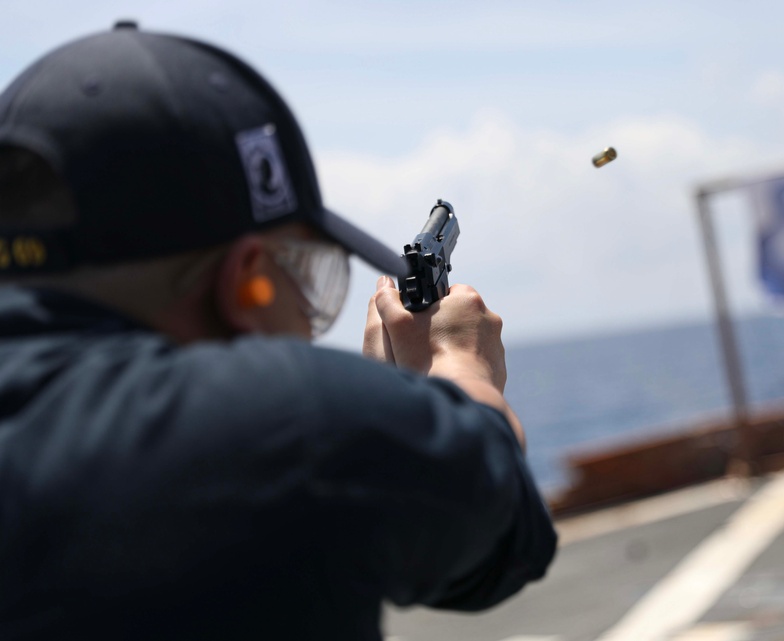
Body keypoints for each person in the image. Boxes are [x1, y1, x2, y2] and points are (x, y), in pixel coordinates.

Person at [0, 22, 557, 641]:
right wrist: (460, 367)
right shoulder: (288, 423)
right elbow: (499, 522)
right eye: (308, 278)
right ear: (248, 282)